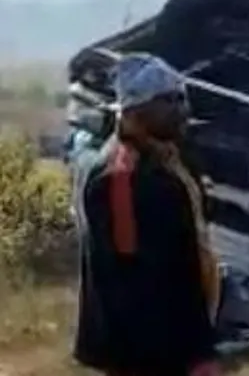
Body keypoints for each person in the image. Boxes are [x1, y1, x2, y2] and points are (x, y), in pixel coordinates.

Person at [74, 54, 222, 376]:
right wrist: (196, 353)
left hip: (177, 339)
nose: (183, 109)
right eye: (169, 100)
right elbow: (134, 283)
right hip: (148, 354)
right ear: (135, 110)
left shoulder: (170, 157)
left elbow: (187, 252)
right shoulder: (120, 178)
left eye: (182, 97)